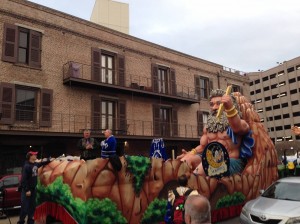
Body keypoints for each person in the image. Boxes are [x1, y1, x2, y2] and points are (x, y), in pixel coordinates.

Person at [178, 88, 253, 176]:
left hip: (231, 161)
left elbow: (238, 127)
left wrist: (230, 108)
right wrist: (191, 153)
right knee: (185, 162)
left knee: (208, 164)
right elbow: (203, 146)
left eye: (218, 104)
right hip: (208, 159)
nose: (214, 108)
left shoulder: (239, 123)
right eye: (212, 104)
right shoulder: (208, 127)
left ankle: (195, 181)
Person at [17, 151, 52, 224]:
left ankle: (30, 222)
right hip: (27, 191)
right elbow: (24, 179)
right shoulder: (26, 166)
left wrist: (49, 159)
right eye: (34, 154)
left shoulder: (35, 164)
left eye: (36, 154)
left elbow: (41, 163)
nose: (36, 155)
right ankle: (21, 221)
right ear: (30, 156)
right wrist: (27, 190)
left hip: (33, 190)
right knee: (25, 208)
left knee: (32, 208)